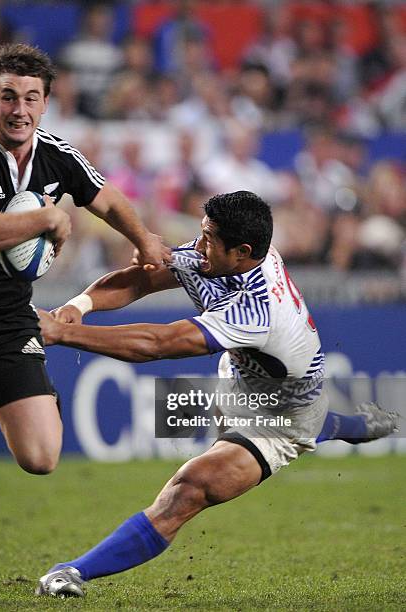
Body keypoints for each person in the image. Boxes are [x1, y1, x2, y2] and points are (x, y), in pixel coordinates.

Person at [0, 42, 168, 603]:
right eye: (8, 97)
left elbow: (108, 199)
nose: (20, 109)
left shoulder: (58, 154)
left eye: (32, 98)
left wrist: (145, 242)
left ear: (45, 104)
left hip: (8, 321)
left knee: (41, 458)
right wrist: (46, 216)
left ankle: (40, 396)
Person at [35, 190, 398, 597]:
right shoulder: (221, 253)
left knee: (190, 487)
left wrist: (64, 333)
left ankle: (70, 572)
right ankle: (343, 424)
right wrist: (79, 305)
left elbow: (159, 344)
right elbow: (147, 276)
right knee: (303, 419)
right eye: (202, 233)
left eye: (209, 238)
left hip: (279, 417)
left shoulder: (259, 310)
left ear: (242, 252)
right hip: (242, 377)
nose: (199, 244)